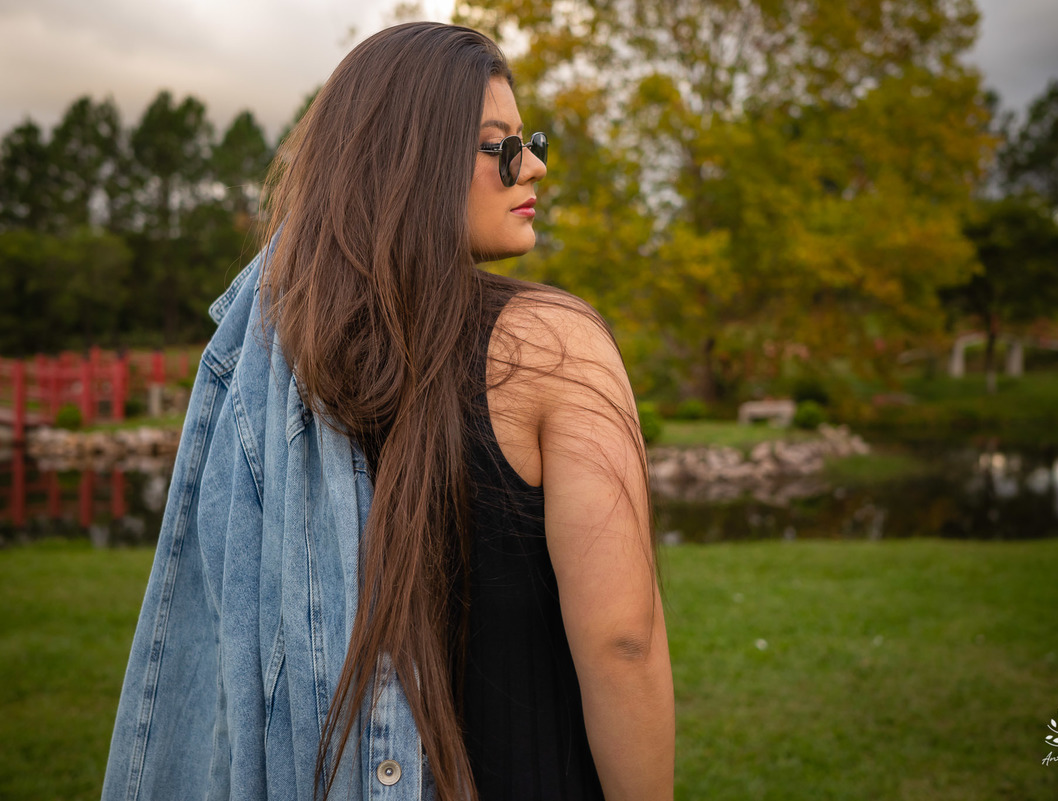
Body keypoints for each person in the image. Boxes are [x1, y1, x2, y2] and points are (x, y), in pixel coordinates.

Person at [101, 21, 674, 801]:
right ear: (411, 162)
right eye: (494, 144)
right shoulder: (552, 347)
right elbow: (624, 640)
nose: (531, 164)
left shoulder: (290, 361)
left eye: (526, 140)